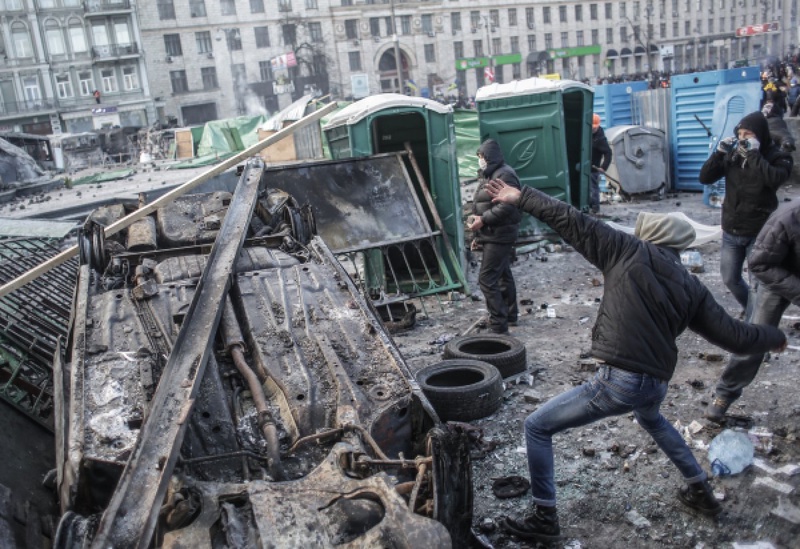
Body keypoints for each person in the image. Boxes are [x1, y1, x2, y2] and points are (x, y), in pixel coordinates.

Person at [483, 178, 787, 543]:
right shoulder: (692, 286)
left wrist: (522, 197)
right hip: (654, 383)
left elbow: (570, 219)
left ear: (648, 236)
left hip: (620, 380)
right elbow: (735, 336)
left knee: (536, 426)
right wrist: (774, 336)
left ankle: (544, 518)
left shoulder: (625, 249)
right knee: (652, 419)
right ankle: (700, 489)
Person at [706, 201, 800, 421]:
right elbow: (759, 264)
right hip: (774, 278)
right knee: (755, 339)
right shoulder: (787, 218)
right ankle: (724, 396)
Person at [698, 111, 793, 313]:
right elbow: (705, 177)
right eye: (740, 134)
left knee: (757, 284)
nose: (742, 139)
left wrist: (754, 155)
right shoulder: (734, 155)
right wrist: (719, 153)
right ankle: (750, 310)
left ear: (759, 135)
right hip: (731, 228)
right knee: (730, 278)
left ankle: (754, 324)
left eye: (747, 134)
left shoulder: (778, 156)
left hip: (759, 231)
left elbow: (774, 179)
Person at [467, 139, 521, 334]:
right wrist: (478, 236)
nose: (480, 160)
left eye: (482, 156)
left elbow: (508, 206)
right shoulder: (490, 174)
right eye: (479, 157)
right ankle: (510, 315)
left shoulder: (504, 174)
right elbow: (484, 206)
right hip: (493, 233)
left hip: (500, 234)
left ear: (490, 156)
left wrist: (483, 221)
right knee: (503, 274)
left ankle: (498, 323)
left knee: (486, 278)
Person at [590, 113, 612, 214]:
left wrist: (604, 167)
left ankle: (595, 209)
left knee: (593, 188)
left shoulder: (600, 139)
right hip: (586, 167)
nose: (593, 129)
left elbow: (608, 153)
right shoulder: (587, 134)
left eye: (594, 127)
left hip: (593, 169)